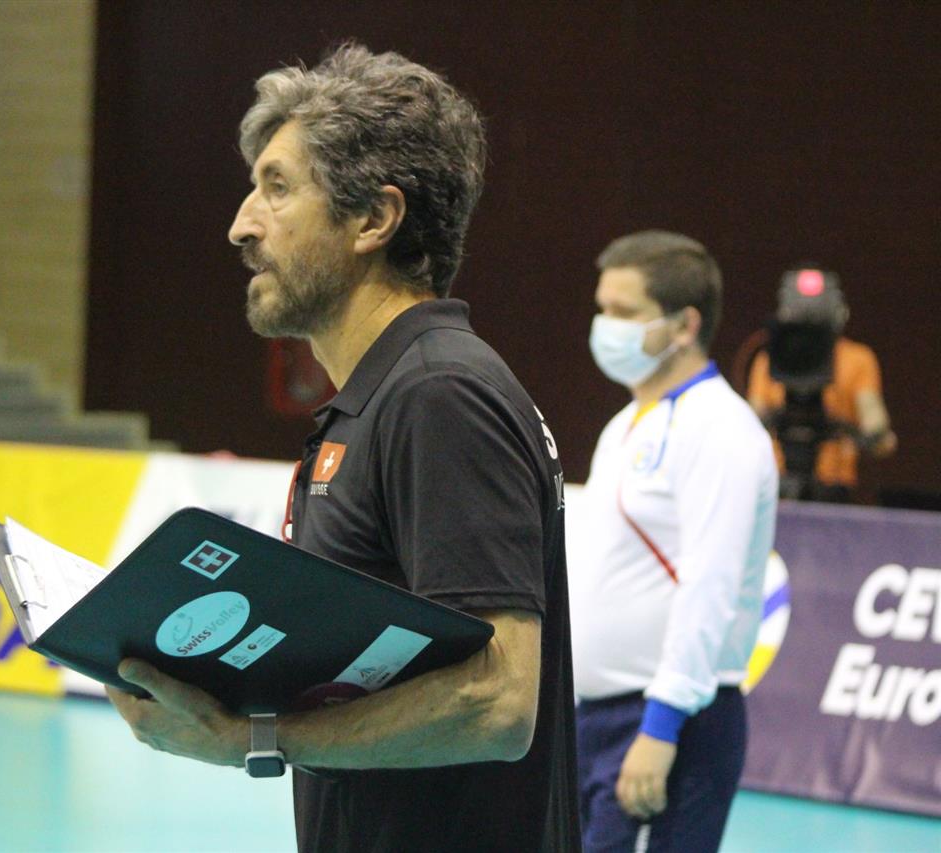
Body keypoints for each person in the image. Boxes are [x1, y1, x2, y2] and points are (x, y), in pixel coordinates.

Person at [106, 43, 581, 851]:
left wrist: (253, 739)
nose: (240, 225)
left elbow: (499, 703)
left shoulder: (440, 395)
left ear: (373, 220)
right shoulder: (382, 397)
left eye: (277, 187)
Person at [571, 231, 777, 852]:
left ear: (685, 325)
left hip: (671, 722)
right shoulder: (622, 427)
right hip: (593, 718)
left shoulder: (722, 430)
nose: (605, 327)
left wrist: (660, 729)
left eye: (625, 312)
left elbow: (710, 585)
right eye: (602, 309)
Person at [745, 267, 896, 502]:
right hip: (776, 488)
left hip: (833, 491)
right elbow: (750, 422)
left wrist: (872, 433)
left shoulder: (858, 359)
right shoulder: (770, 360)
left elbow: (874, 421)